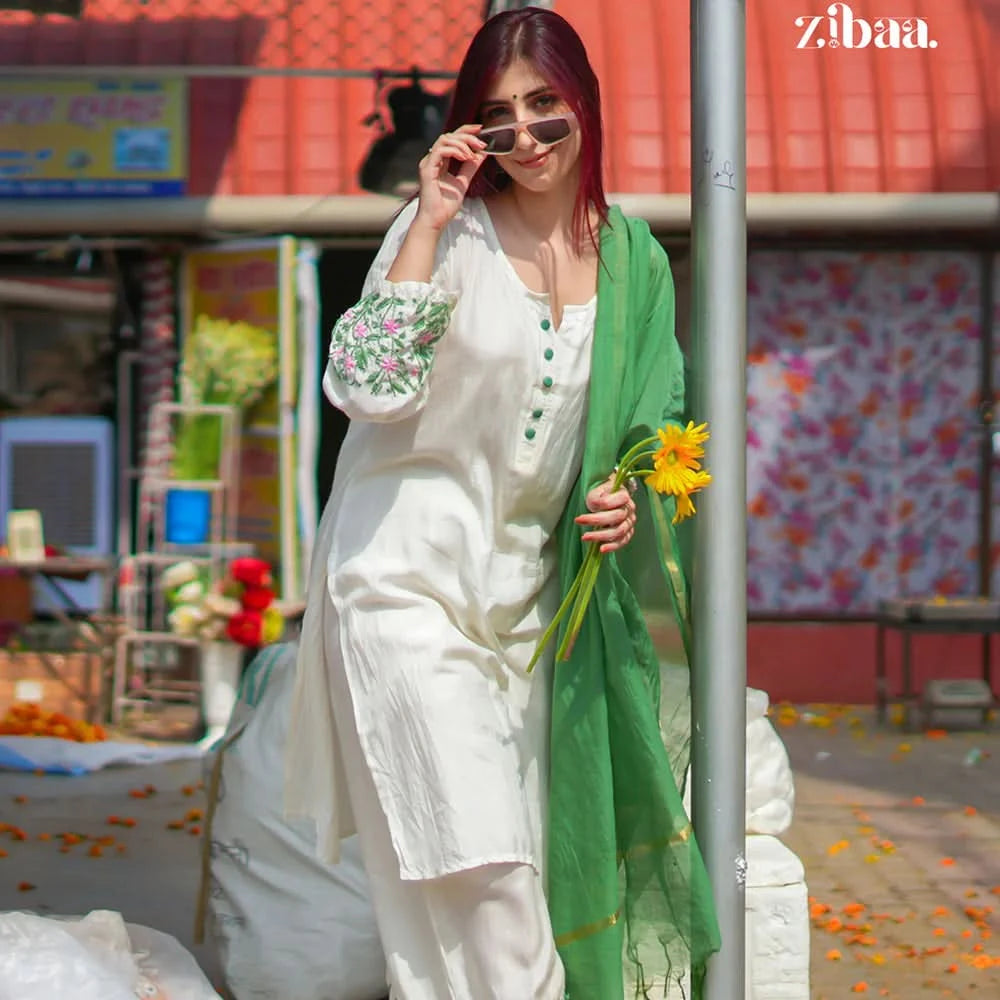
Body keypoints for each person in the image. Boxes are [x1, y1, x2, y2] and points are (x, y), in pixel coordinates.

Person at [284, 7, 720, 1000]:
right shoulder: (443, 232)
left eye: (545, 112)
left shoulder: (633, 260)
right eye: (497, 118)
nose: (524, 138)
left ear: (585, 109)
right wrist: (431, 217)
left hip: (536, 610)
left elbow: (656, 426)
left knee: (483, 864)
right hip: (400, 581)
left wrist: (627, 494)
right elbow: (366, 387)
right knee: (486, 861)